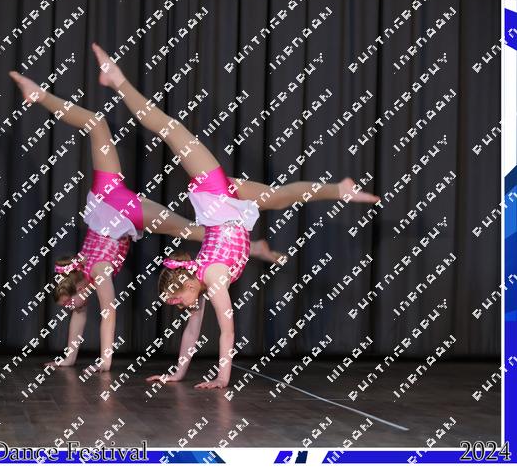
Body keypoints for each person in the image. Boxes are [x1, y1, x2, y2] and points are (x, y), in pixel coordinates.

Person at [89, 42, 381, 388]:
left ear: (187, 284)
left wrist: (221, 380)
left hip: (216, 195)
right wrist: (177, 373)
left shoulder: (211, 279)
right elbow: (192, 334)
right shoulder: (201, 283)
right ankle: (338, 190)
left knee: (169, 128)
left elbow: (227, 331)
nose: (179, 307)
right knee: (280, 197)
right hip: (224, 203)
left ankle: (117, 79)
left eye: (177, 300)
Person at [8, 71, 284, 376]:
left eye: (68, 304)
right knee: (96, 125)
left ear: (77, 288)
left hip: (122, 213)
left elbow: (109, 312)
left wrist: (106, 361)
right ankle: (40, 94)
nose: (71, 308)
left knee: (190, 228)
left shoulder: (97, 272)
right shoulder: (83, 276)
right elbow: (81, 314)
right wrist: (69, 358)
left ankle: (44, 94)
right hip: (107, 198)